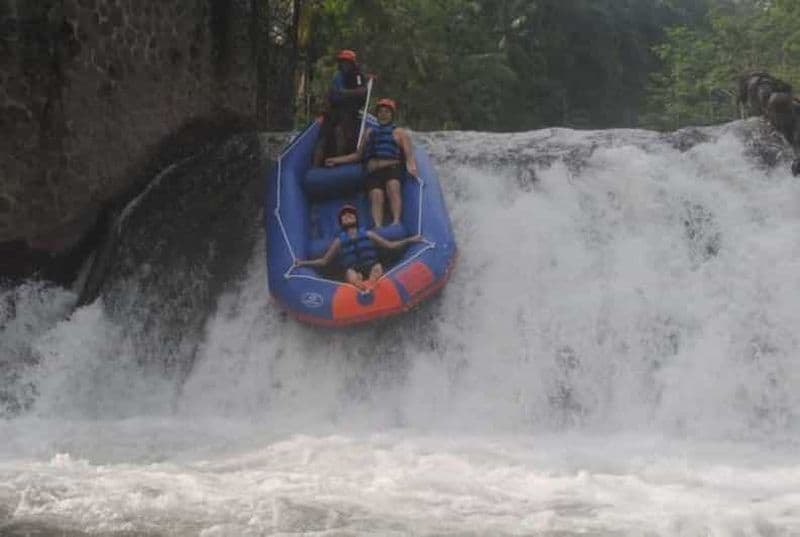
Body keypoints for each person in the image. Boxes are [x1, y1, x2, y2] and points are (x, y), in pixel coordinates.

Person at [324, 98, 418, 228]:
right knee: (376, 195)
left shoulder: (399, 133)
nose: (383, 114)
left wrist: (411, 166)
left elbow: (409, 154)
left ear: (392, 115)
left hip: (391, 167)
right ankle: (378, 225)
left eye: (387, 112)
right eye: (380, 112)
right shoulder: (369, 132)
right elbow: (358, 156)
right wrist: (336, 160)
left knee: (393, 187)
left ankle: (396, 221)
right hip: (373, 171)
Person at [295, 204, 422, 291]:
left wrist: (411, 239)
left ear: (356, 219)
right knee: (350, 274)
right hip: (354, 269)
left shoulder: (368, 234)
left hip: (371, 264)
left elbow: (390, 245)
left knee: (377, 267)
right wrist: (302, 263)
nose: (348, 216)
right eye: (344, 216)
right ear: (341, 223)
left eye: (351, 214)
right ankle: (359, 285)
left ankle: (373, 283)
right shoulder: (339, 241)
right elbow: (324, 261)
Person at [313, 49, 369, 167]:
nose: (345, 65)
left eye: (347, 62)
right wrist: (327, 105)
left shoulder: (357, 76)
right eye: (343, 62)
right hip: (334, 111)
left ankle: (338, 163)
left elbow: (362, 92)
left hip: (349, 111)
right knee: (322, 138)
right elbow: (332, 94)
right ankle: (315, 167)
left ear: (352, 63)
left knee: (340, 133)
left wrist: (344, 93)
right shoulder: (337, 77)